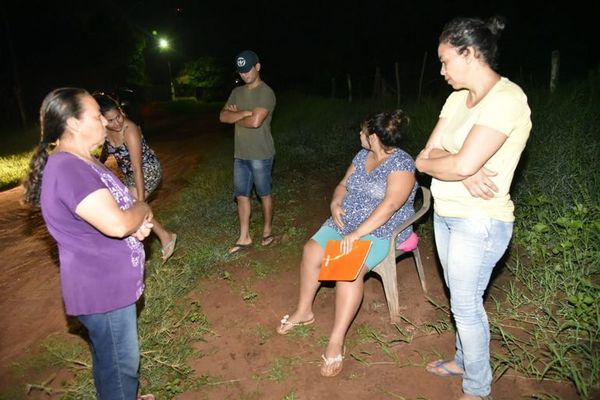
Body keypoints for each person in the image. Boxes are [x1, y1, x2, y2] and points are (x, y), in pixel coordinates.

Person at [415, 16, 532, 400]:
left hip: (480, 221)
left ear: (469, 54)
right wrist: (462, 168)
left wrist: (461, 164)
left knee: (465, 305)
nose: (442, 69)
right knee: (462, 299)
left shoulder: (508, 99)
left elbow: (458, 161)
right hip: (446, 215)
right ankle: (465, 361)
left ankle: (478, 389)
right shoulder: (454, 100)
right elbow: (422, 159)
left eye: (446, 60)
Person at [23, 88, 156, 400]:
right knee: (120, 366)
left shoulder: (85, 162)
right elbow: (117, 223)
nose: (105, 121)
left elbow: (109, 219)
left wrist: (135, 225)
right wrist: (141, 210)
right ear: (73, 123)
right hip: (102, 291)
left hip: (109, 288)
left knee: (113, 362)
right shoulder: (68, 168)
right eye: (97, 115)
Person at [277, 110, 417, 377]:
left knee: (346, 272)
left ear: (373, 137)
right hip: (346, 221)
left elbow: (389, 207)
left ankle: (336, 340)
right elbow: (342, 185)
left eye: (363, 132)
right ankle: (304, 311)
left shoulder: (402, 165)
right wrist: (334, 203)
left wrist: (356, 235)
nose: (359, 135)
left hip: (379, 230)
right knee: (311, 250)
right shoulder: (361, 156)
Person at [93, 93, 177, 262]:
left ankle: (160, 238)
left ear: (120, 111)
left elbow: (138, 168)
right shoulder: (105, 133)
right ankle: (164, 236)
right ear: (102, 120)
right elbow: (104, 154)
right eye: (110, 120)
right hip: (129, 176)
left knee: (133, 206)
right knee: (121, 207)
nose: (117, 123)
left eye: (118, 117)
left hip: (148, 169)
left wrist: (140, 202)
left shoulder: (129, 130)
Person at [219, 50, 276, 254]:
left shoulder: (266, 92)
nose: (245, 75)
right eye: (241, 71)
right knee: (242, 195)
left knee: (264, 194)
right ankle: (244, 237)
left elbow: (255, 122)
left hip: (261, 153)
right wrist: (243, 112)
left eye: (248, 70)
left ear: (257, 67)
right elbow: (223, 117)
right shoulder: (237, 92)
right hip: (240, 154)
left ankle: (267, 230)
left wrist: (236, 115)